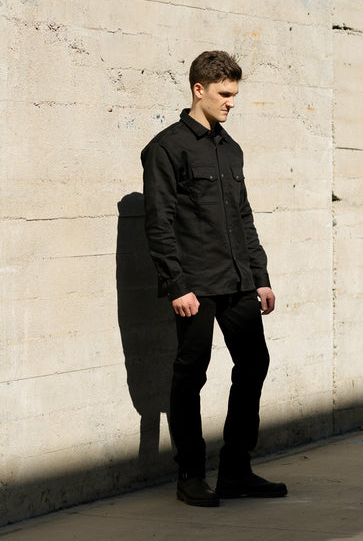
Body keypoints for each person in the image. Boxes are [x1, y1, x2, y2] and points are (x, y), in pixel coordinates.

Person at [141, 50, 287, 507]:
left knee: (255, 363)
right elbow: (159, 222)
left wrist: (260, 276)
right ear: (198, 90)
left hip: (240, 282)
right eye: (224, 94)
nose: (231, 102)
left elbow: (243, 217)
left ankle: (236, 470)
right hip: (196, 288)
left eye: (235, 94)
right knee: (191, 377)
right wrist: (176, 285)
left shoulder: (231, 149)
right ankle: (190, 475)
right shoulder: (166, 148)